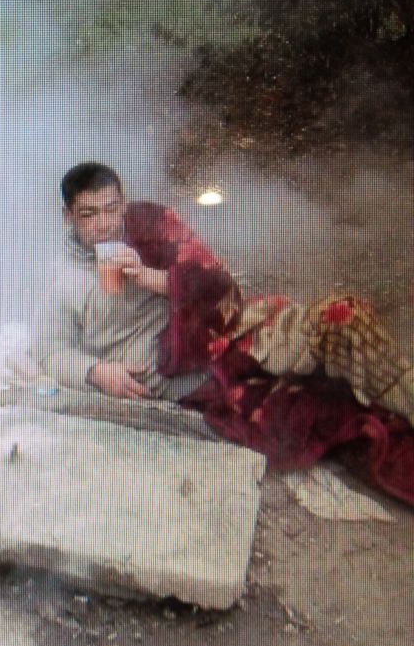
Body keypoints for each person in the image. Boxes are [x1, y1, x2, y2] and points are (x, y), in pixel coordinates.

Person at [36, 161, 414, 505]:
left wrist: (152, 278)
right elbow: (50, 351)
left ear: (123, 202)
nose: (105, 224)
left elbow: (217, 283)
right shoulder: (59, 278)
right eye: (89, 214)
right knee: (329, 412)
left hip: (228, 333)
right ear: (68, 216)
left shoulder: (148, 226)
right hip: (189, 382)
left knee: (343, 319)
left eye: (111, 208)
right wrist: (97, 372)